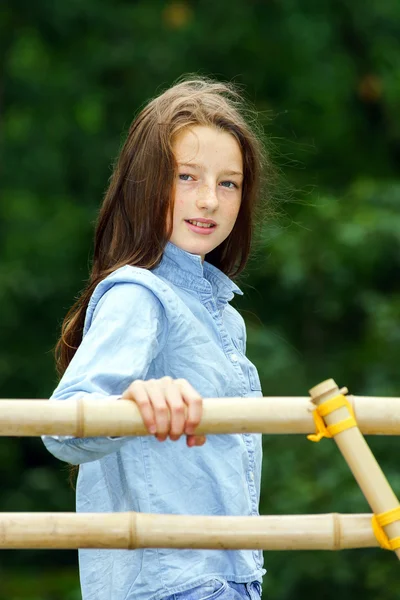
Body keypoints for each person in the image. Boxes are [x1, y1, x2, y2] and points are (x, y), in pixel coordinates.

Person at [42, 76, 272, 600]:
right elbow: (63, 427)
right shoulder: (139, 294)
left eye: (229, 183)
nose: (209, 200)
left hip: (227, 578)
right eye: (186, 177)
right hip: (173, 585)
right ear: (145, 182)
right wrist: (129, 403)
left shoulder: (222, 316)